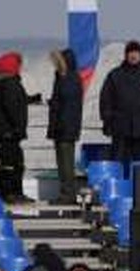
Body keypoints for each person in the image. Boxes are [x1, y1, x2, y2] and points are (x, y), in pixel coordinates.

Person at [99, 40, 140, 168]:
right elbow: (106, 99)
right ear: (126, 55)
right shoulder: (115, 75)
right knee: (118, 161)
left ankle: (139, 188)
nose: (133, 56)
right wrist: (107, 121)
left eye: (136, 53)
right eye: (130, 52)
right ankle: (119, 186)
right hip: (120, 128)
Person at [0, 51, 37, 203]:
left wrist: (29, 99)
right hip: (9, 130)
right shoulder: (10, 83)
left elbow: (16, 100)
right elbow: (12, 105)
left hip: (5, 130)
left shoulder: (3, 83)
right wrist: (18, 126)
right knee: (11, 163)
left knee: (12, 162)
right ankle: (10, 193)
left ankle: (13, 192)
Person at [47, 48, 84, 203]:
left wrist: (61, 123)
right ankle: (65, 192)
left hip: (65, 127)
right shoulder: (63, 78)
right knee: (62, 163)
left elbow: (68, 105)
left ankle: (68, 194)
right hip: (61, 126)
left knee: (66, 163)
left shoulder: (70, 79)